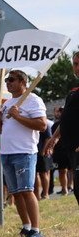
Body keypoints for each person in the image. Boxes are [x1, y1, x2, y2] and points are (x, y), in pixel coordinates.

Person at [0, 68, 48, 237]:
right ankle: (26, 227)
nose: (8, 83)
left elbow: (42, 125)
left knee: (26, 190)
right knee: (16, 193)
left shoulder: (33, 100)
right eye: (7, 80)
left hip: (24, 152)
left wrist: (17, 117)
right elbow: (2, 130)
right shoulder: (7, 103)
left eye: (12, 79)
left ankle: (37, 230)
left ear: (23, 82)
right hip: (7, 152)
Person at [43, 50, 79, 208]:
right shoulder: (74, 91)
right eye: (75, 64)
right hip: (71, 148)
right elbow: (66, 118)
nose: (77, 68)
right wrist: (55, 137)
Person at [49, 106, 74, 195]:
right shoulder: (55, 125)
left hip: (71, 149)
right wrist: (51, 148)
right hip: (59, 151)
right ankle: (64, 189)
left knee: (72, 170)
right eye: (59, 111)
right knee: (62, 170)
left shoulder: (72, 123)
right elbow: (53, 138)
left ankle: (71, 186)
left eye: (62, 111)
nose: (60, 113)